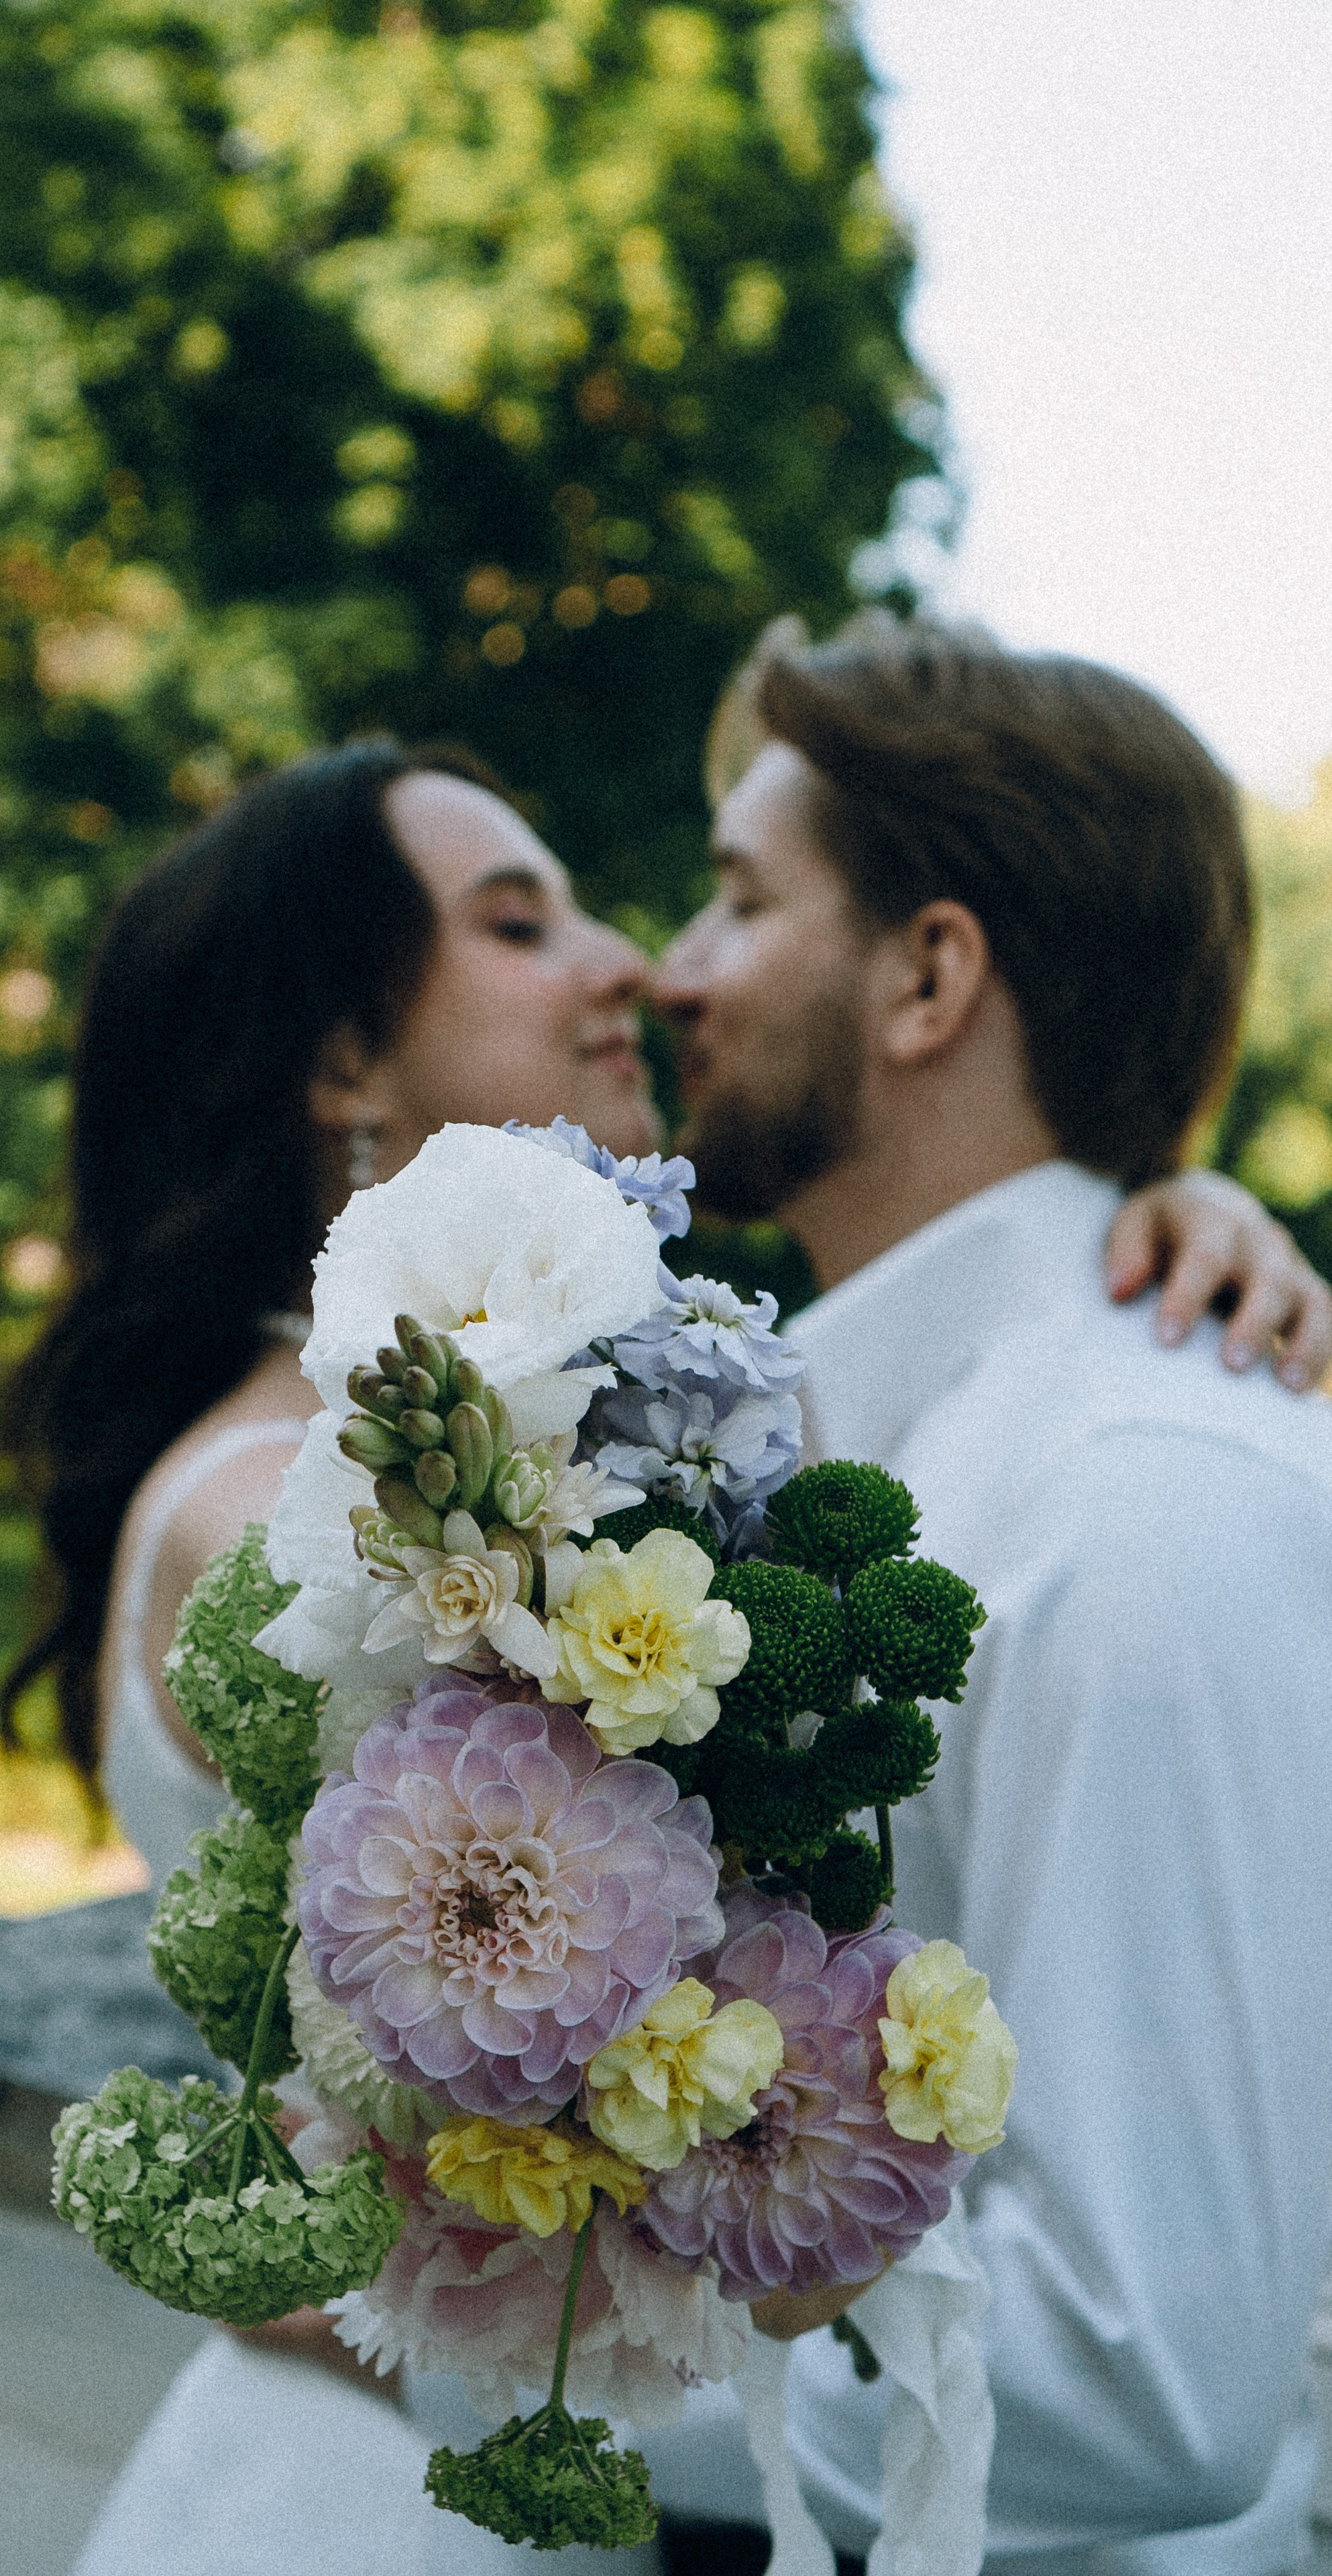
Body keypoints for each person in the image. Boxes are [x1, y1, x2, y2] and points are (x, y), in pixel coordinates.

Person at [2, 728, 1330, 2576]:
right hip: (394, 2484)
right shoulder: (293, 1510)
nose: (631, 958)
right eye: (520, 919)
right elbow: (671, 1991)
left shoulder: (580, 1438)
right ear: (343, 1059)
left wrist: (1133, 1228)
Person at [649, 614, 1332, 2573]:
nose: (672, 973)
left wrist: (506, 2351)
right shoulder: (843, 1450)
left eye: (736, 900)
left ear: (929, 973)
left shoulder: (1149, 1512)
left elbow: (1143, 2374)